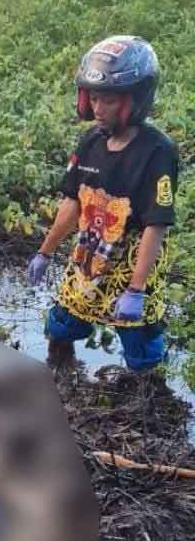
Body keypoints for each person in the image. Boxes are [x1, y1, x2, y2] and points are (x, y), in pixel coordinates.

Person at [27, 35, 179, 373]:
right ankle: (59, 368)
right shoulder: (91, 140)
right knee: (64, 320)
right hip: (91, 249)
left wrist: (136, 288)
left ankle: (147, 388)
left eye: (108, 100)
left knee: (141, 344)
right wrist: (45, 252)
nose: (98, 108)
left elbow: (155, 226)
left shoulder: (158, 151)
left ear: (135, 100)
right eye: (93, 98)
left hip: (133, 257)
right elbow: (72, 204)